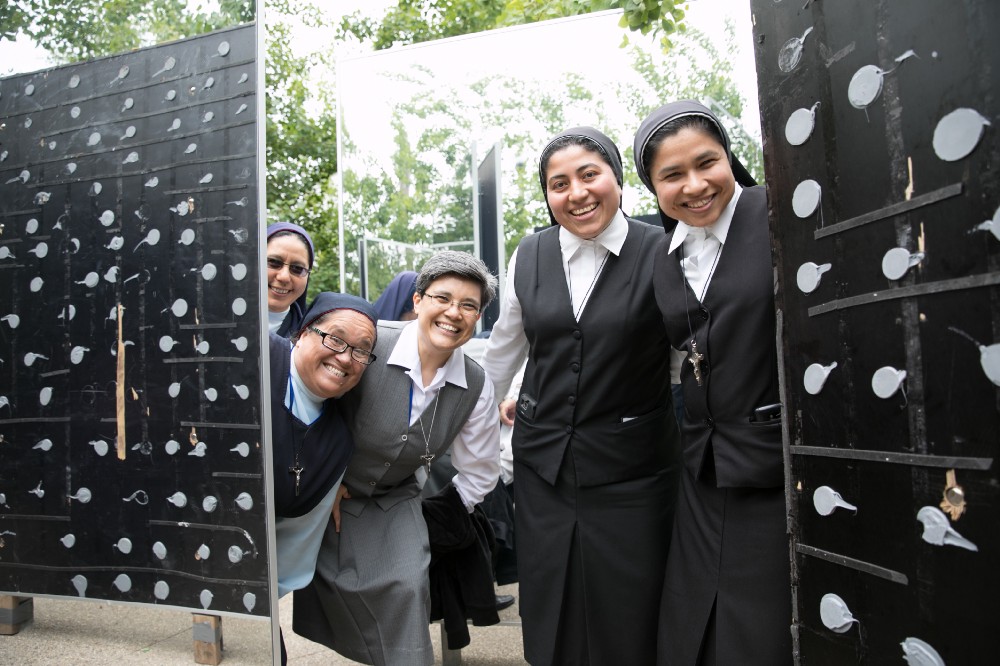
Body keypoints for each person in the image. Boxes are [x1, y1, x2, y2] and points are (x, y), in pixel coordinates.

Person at [481, 126, 682, 665]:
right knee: (551, 599)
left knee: (630, 605)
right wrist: (465, 434)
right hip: (544, 466)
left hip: (634, 470)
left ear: (617, 177)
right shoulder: (531, 253)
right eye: (558, 183)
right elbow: (504, 353)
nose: (576, 193)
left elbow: (686, 355)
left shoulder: (663, 250)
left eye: (589, 175)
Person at [632, 100, 790, 665]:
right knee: (690, 620)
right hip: (702, 468)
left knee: (760, 628)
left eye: (707, 163)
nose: (694, 186)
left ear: (730, 158)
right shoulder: (665, 256)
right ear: (652, 187)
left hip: (776, 464)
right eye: (671, 175)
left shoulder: (778, 217)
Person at [293, 250, 501, 666]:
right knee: (304, 573)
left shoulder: (476, 383)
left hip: (398, 498)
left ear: (477, 318)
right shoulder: (371, 342)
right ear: (418, 300)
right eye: (442, 298)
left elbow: (479, 471)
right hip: (330, 490)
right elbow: (308, 404)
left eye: (468, 306)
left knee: (408, 585)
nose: (453, 313)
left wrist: (437, 518)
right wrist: (322, 483)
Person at [269, 292, 379, 662]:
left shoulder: (340, 436)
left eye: (361, 351)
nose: (345, 357)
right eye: (334, 338)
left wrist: (332, 483)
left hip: (256, 587)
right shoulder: (261, 364)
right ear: (301, 334)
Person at [266, 222, 315, 337]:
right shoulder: (219, 320)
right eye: (274, 262)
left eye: (297, 268)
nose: (284, 277)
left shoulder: (312, 338)